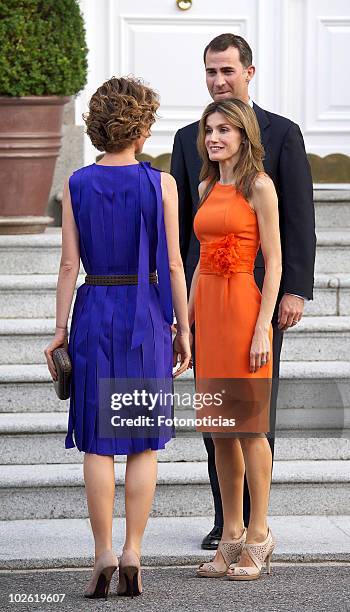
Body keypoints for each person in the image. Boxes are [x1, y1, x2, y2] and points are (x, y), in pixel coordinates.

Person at [44, 76, 191, 599]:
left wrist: (59, 329)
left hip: (95, 309)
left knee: (98, 442)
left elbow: (67, 265)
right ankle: (133, 551)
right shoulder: (162, 184)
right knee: (142, 440)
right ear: (143, 127)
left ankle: (102, 551)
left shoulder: (78, 184)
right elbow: (173, 262)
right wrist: (184, 327)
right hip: (146, 313)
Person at [171, 33, 316, 550]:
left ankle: (259, 526)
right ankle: (225, 523)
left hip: (259, 299)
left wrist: (293, 291)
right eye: (210, 71)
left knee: (254, 417)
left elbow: (297, 220)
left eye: (227, 71)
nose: (218, 80)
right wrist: (181, 314)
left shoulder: (283, 135)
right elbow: (185, 233)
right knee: (218, 419)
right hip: (208, 299)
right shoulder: (193, 140)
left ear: (248, 72)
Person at [192, 98, 282, 580]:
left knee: (249, 428)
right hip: (208, 312)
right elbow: (201, 262)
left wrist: (262, 326)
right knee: (220, 431)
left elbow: (276, 264)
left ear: (244, 135)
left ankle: (260, 532)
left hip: (245, 311)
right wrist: (185, 325)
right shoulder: (207, 184)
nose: (214, 137)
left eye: (224, 129)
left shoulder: (260, 186)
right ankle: (230, 534)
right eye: (209, 129)